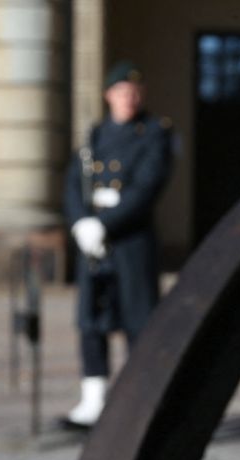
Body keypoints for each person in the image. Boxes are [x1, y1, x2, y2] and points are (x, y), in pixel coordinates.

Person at [62, 60, 173, 428]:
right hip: (93, 246)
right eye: (122, 91)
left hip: (130, 242)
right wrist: (81, 224)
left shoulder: (154, 133)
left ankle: (141, 402)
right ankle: (93, 400)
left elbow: (146, 188)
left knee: (138, 322)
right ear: (109, 95)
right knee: (91, 321)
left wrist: (103, 223)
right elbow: (74, 184)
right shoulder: (95, 136)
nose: (129, 97)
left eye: (135, 92)